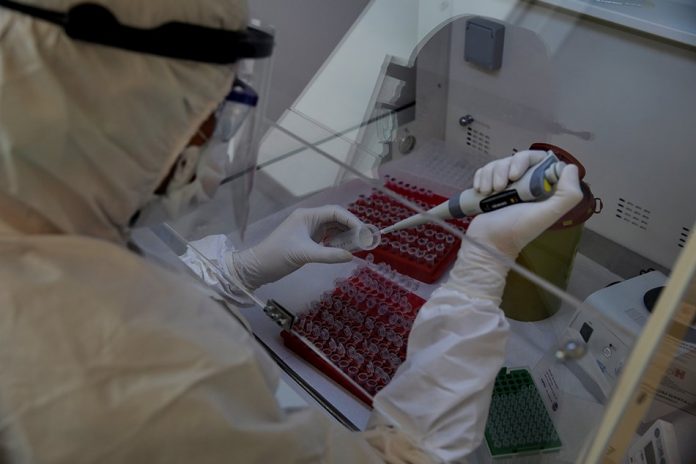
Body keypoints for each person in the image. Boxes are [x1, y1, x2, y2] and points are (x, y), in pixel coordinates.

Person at [0, 0, 582, 462]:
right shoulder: (139, 372)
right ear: (124, 105)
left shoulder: (34, 217)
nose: (213, 144)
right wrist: (479, 271)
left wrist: (236, 271)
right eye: (210, 110)